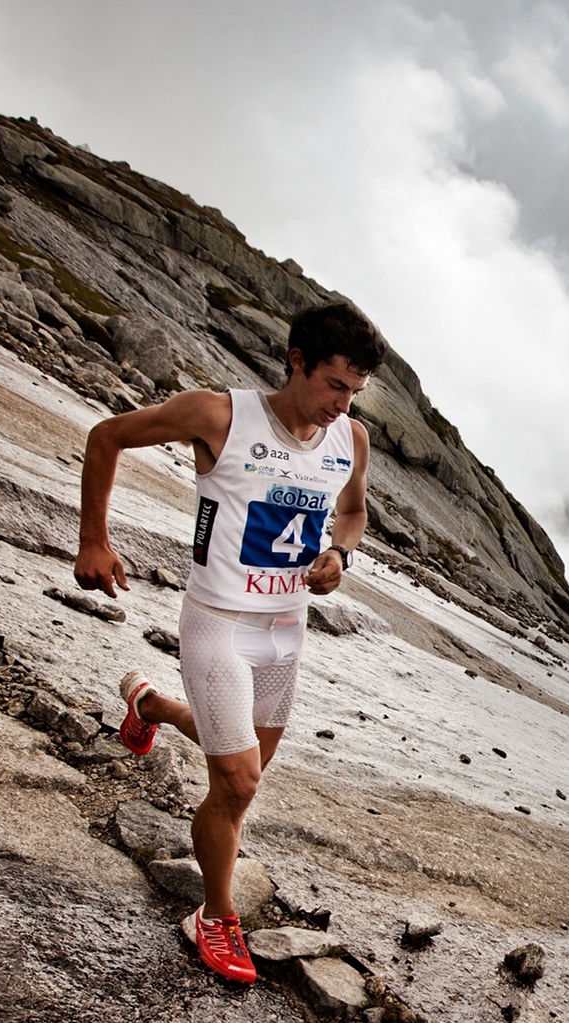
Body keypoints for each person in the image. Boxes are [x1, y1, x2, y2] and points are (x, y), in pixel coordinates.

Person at [74, 303, 383, 983]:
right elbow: (106, 437)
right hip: (218, 622)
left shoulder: (349, 439)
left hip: (286, 633)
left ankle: (150, 706)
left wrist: (340, 552)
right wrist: (94, 539)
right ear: (297, 360)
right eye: (334, 386)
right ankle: (213, 915)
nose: (342, 405)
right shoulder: (219, 415)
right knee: (238, 783)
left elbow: (354, 510)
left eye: (354, 394)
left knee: (236, 770)